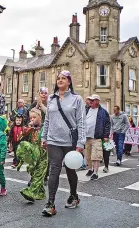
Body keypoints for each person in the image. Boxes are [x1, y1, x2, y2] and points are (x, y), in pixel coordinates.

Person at [41, 70, 86, 216]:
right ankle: (51, 203)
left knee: (70, 169)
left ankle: (73, 195)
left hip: (70, 141)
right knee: (54, 169)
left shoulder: (77, 99)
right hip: (53, 140)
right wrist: (44, 137)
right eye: (58, 78)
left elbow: (81, 122)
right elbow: (47, 119)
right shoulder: (51, 99)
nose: (60, 80)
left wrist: (81, 142)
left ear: (69, 81)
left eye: (63, 78)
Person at [16, 108, 47, 202]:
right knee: (34, 173)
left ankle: (31, 192)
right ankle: (41, 193)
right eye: (31, 117)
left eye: (34, 117)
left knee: (38, 174)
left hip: (43, 156)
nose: (32, 119)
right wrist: (26, 131)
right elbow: (18, 139)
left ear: (40, 118)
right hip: (34, 155)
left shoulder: (44, 128)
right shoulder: (30, 128)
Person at [84, 94, 110, 178]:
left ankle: (95, 172)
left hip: (97, 137)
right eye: (90, 100)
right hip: (87, 137)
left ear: (97, 101)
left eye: (93, 100)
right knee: (88, 155)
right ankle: (90, 169)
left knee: (96, 156)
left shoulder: (103, 112)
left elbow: (107, 124)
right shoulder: (86, 109)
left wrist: (106, 135)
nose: (91, 101)